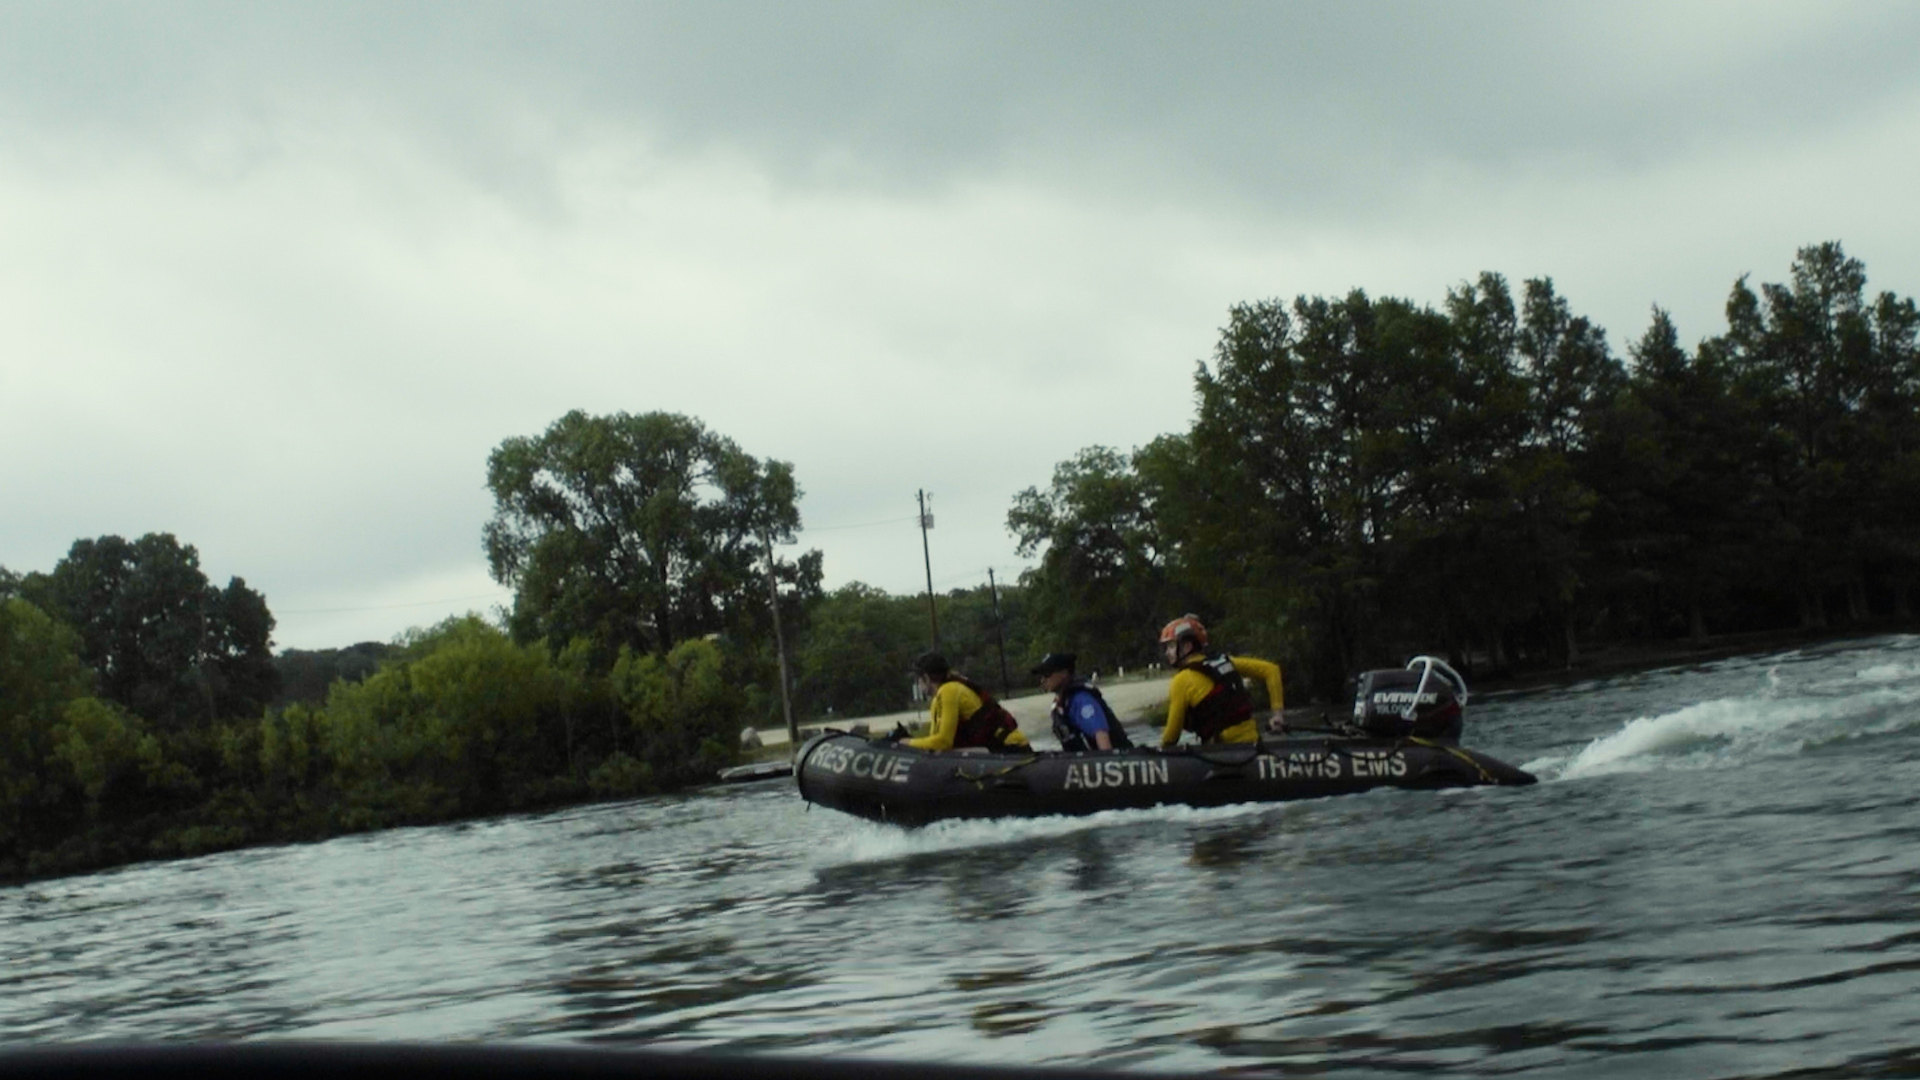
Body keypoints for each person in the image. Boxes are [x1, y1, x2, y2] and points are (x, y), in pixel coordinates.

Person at [1155, 614, 1284, 747]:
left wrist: (1157, 754)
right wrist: (1277, 715)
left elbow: (1171, 737)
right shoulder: (1225, 662)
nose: (1167, 653)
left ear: (1187, 647)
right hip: (1253, 743)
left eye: (1171, 646)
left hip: (1223, 753)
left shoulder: (1181, 680)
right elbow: (1271, 670)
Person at [904, 652, 1030, 752]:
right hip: (997, 747)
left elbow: (943, 743)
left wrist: (907, 744)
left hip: (1011, 748)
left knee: (947, 755)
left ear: (926, 678)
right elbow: (934, 741)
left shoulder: (949, 690)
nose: (917, 684)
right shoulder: (943, 694)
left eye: (918, 679)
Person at [1032, 652, 1135, 752]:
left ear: (1064, 673)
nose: (1043, 680)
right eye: (1042, 676)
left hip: (1113, 759)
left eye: (1047, 674)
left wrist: (1106, 761)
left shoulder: (1081, 700)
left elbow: (1101, 735)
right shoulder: (1063, 703)